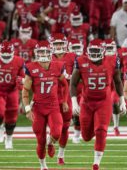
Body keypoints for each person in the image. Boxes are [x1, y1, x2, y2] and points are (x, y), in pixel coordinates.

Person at [70, 39, 126, 170]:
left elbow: (118, 81)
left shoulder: (112, 60)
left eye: (97, 51)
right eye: (92, 51)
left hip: (103, 102)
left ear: (103, 51)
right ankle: (95, 129)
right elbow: (73, 83)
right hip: (87, 102)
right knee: (86, 136)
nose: (94, 54)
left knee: (101, 130)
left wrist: (122, 99)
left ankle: (96, 163)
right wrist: (74, 102)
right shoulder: (81, 61)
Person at [22, 41, 68, 170]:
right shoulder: (31, 68)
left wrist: (64, 100)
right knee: (40, 140)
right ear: (36, 53)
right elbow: (25, 91)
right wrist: (27, 109)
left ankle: (51, 142)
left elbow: (65, 84)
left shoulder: (57, 66)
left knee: (57, 133)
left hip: (53, 106)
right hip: (38, 107)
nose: (43, 54)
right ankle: (43, 166)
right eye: (40, 52)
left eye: (45, 51)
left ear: (50, 52)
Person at [49, 33, 75, 165]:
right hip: (49, 96)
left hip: (66, 96)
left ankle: (61, 155)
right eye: (56, 44)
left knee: (65, 127)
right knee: (54, 127)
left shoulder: (72, 57)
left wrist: (71, 77)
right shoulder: (46, 57)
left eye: (60, 44)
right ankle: (50, 142)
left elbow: (79, 75)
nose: (59, 46)